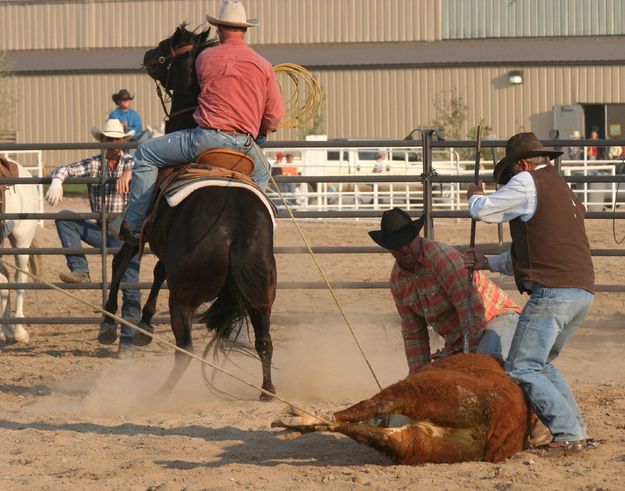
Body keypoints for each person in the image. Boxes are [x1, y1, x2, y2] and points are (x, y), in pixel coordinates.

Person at [464, 132, 596, 455]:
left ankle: (569, 433)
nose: (510, 182)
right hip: (580, 293)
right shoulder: (562, 188)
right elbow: (537, 253)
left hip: (553, 294)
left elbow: (484, 211)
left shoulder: (527, 183)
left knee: (521, 366)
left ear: (522, 164)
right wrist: (488, 262)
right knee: (543, 362)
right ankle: (575, 428)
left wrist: (474, 196)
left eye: (509, 174)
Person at [118, 0, 284, 245]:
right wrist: (261, 132)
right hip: (245, 145)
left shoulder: (205, 58)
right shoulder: (263, 65)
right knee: (263, 174)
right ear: (245, 29)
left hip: (206, 139)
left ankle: (133, 225)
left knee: (146, 153)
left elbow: (192, 90)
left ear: (218, 29)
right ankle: (262, 233)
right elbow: (274, 115)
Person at [368, 207, 521, 375]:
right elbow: (413, 332)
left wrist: (469, 355)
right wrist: (419, 377)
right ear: (389, 248)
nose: (404, 248)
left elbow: (470, 307)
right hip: (463, 338)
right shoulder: (398, 282)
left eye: (407, 241)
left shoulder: (442, 259)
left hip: (498, 319)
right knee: (439, 379)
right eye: (397, 245)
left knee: (482, 367)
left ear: (417, 237)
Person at [45, 119, 142, 358]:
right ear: (102, 141)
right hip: (102, 231)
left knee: (130, 289)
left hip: (127, 233)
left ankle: (127, 343)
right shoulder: (94, 164)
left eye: (117, 139)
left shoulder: (132, 162)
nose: (113, 143)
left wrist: (130, 172)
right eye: (108, 139)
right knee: (65, 216)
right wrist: (58, 179)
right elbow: (65, 168)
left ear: (123, 141)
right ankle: (80, 268)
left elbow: (148, 167)